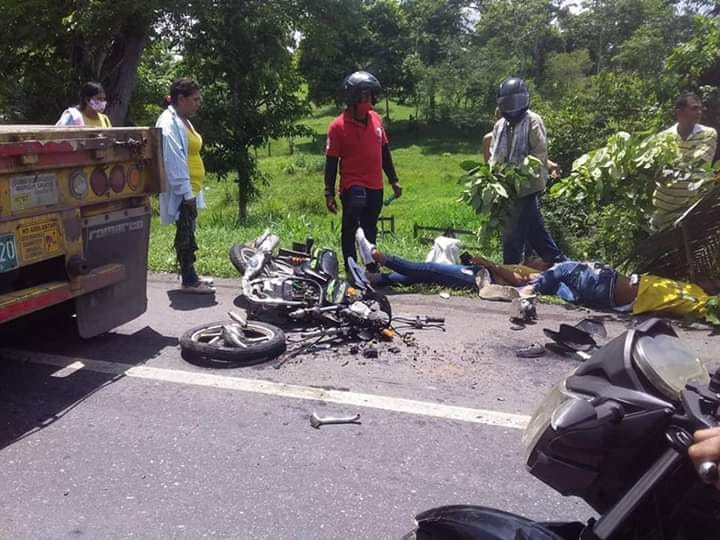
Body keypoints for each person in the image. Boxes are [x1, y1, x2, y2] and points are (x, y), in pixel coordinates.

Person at [353, 228, 718, 320]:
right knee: (432, 274)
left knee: (435, 270)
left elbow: (525, 283)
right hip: (496, 274)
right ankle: (377, 278)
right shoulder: (558, 268)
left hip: (490, 280)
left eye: (535, 256)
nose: (532, 256)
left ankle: (381, 258)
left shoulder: (553, 273)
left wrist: (489, 265)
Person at [324, 71, 402, 274]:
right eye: (366, 95)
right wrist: (329, 193)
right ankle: (351, 268)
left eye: (371, 95)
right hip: (353, 183)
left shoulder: (376, 119)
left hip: (375, 184)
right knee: (350, 225)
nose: (371, 100)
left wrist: (393, 179)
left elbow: (384, 151)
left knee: (370, 226)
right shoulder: (337, 126)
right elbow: (331, 162)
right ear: (353, 97)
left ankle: (370, 268)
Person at [489, 78, 564, 265]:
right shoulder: (500, 125)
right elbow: (494, 155)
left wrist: (519, 176)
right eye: (508, 103)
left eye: (516, 102)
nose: (512, 108)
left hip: (527, 186)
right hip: (505, 189)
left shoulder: (532, 121)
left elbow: (539, 154)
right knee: (535, 231)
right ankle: (560, 264)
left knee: (512, 233)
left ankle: (510, 268)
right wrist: (493, 178)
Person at [156, 78, 215, 294]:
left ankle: (191, 275)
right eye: (195, 99)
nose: (199, 103)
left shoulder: (183, 119)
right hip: (183, 189)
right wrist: (186, 192)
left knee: (189, 231)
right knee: (185, 234)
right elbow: (173, 160)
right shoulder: (168, 123)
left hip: (192, 187)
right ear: (181, 99)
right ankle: (189, 280)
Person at [652, 93, 719, 231]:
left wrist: (669, 170)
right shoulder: (663, 138)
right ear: (679, 112)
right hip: (665, 210)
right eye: (694, 108)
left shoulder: (707, 134)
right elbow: (657, 172)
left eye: (700, 109)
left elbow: (698, 164)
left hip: (694, 207)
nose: (699, 113)